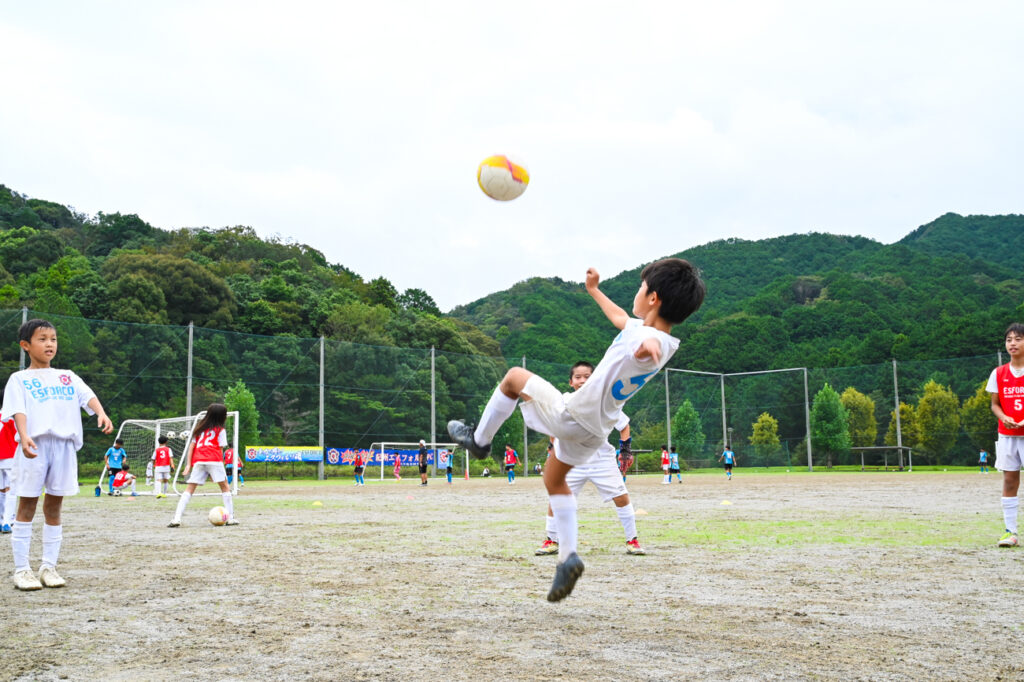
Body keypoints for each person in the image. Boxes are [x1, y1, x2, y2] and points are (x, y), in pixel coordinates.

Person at [448, 260, 705, 601]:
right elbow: (620, 320)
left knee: (512, 377)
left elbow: (646, 346)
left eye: (641, 288)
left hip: (573, 415)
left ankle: (479, 441)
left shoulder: (647, 340)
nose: (636, 293)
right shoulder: (659, 337)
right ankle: (567, 559)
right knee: (554, 480)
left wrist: (648, 349)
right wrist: (594, 290)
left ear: (654, 298)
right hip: (595, 432)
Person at [3, 318, 113, 590]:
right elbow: (19, 410)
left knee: (54, 506)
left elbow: (87, 396)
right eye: (42, 339)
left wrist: (100, 412)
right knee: (26, 504)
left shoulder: (67, 375)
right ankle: (22, 570)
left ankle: (48, 567)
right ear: (25, 345)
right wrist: (24, 434)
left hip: (64, 446)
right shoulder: (20, 379)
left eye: (52, 339)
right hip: (35, 445)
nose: (49, 344)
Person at [536, 361, 644, 558]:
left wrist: (625, 450)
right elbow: (553, 428)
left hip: (601, 459)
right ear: (570, 382)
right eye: (578, 377)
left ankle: (632, 539)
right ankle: (551, 539)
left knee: (621, 496)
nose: (582, 380)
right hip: (570, 461)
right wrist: (552, 452)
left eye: (587, 376)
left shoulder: (604, 402)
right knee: (557, 497)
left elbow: (624, 426)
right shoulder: (563, 401)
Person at [169, 404, 238, 528]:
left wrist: (189, 464)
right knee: (225, 487)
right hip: (214, 460)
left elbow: (191, 447)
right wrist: (217, 470)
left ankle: (176, 518)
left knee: (189, 489)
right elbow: (220, 448)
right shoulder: (220, 430)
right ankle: (231, 518)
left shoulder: (199, 428)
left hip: (199, 460)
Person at [988, 323, 1024, 547]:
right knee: (1010, 480)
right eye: (1009, 339)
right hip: (1008, 435)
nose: (1013, 343)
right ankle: (1011, 532)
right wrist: (1004, 417)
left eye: (1018, 339)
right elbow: (995, 404)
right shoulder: (999, 373)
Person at [0, 416, 17, 533]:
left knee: (1, 489)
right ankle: (7, 521)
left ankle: (2, 520)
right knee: (11, 490)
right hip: (10, 456)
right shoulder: (11, 417)